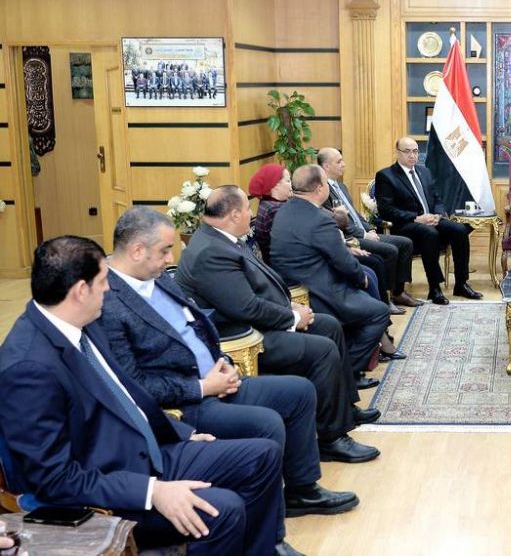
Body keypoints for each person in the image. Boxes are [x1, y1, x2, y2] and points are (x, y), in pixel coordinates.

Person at [0, 236, 296, 555]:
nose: (109, 289)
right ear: (81, 290)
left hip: (143, 452)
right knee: (222, 509)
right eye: (103, 281)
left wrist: (183, 433)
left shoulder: (82, 324)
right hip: (105, 487)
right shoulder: (28, 368)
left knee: (262, 456)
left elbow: (126, 394)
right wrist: (151, 492)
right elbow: (54, 478)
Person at [100, 207, 360, 519]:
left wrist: (222, 362)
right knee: (267, 423)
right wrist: (202, 386)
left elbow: (196, 327)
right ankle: (268, 531)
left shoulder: (156, 278)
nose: (170, 259)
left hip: (216, 378)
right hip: (185, 403)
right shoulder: (108, 302)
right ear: (137, 250)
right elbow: (133, 385)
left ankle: (302, 491)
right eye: (165, 250)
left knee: (300, 392)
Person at [175, 185, 381, 462]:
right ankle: (332, 438)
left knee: (329, 325)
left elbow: (256, 290)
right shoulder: (211, 252)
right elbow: (245, 307)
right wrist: (292, 318)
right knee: (322, 350)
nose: (251, 214)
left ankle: (343, 409)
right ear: (234, 214)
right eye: (247, 210)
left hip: (259, 323)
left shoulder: (222, 239)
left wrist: (290, 308)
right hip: (244, 337)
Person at [270, 165, 391, 376]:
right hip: (320, 291)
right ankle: (348, 371)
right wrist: (360, 278)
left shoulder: (285, 211)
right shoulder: (320, 219)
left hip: (294, 285)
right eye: (326, 183)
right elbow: (342, 260)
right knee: (379, 312)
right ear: (319, 188)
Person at [374, 136, 481, 305]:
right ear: (397, 153)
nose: (412, 155)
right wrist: (416, 218)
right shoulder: (386, 175)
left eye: (415, 151)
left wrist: (438, 214)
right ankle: (434, 288)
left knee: (460, 229)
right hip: (406, 224)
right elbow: (386, 209)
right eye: (407, 151)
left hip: (431, 219)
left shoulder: (425, 172)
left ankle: (461, 283)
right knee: (430, 233)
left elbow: (436, 199)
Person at [318, 146, 421, 308]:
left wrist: (369, 228)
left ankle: (398, 292)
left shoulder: (341, 186)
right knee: (390, 250)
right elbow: (337, 223)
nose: (344, 164)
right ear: (326, 166)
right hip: (350, 237)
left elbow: (354, 214)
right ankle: (385, 297)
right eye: (339, 162)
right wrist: (364, 235)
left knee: (405, 243)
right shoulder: (323, 190)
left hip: (363, 232)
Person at [248, 164, 291, 264]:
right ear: (276, 185)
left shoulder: (267, 202)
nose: (291, 185)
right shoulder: (275, 210)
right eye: (288, 181)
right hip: (281, 266)